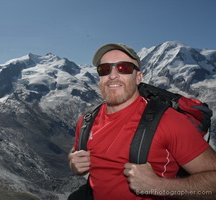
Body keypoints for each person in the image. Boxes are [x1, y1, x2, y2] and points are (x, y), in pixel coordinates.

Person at [68, 43, 216, 200]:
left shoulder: (169, 121)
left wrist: (159, 186)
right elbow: (78, 151)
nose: (112, 75)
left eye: (123, 68)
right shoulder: (86, 121)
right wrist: (72, 161)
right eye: (104, 69)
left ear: (138, 77)